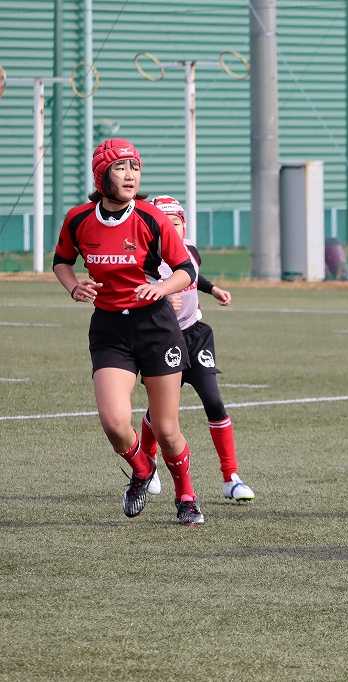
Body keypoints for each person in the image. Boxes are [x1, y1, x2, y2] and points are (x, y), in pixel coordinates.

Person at [51, 138, 204, 525]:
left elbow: (186, 270)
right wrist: (73, 286)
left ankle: (186, 496)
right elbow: (61, 261)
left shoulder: (151, 218)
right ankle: (141, 470)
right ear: (101, 176)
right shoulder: (78, 219)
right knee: (115, 424)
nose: (130, 175)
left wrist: (162, 288)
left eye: (135, 167)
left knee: (166, 430)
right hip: (110, 329)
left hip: (155, 327)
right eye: (120, 168)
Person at [139, 195, 255, 503]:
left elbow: (191, 272)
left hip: (196, 335)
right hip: (163, 338)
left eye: (176, 223)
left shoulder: (189, 248)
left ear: (184, 224)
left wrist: (213, 288)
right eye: (165, 224)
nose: (172, 229)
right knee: (160, 411)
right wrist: (161, 300)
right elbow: (136, 293)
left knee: (213, 401)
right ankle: (148, 465)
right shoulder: (145, 257)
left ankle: (231, 477)